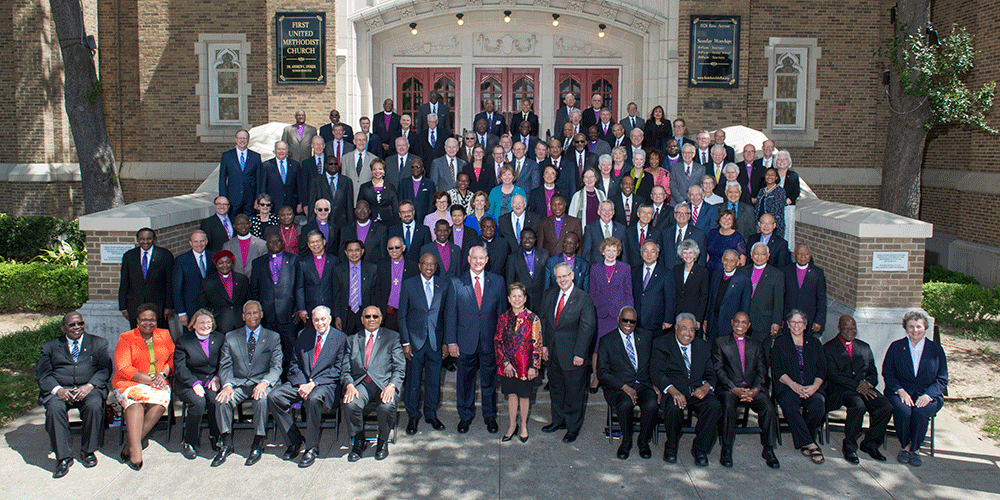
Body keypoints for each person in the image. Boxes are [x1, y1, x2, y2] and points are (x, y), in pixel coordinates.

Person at [268, 305, 347, 468]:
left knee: (313, 399)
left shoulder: (340, 338)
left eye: (323, 319)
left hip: (325, 384)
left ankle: (311, 448)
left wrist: (313, 384)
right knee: (274, 397)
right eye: (316, 320)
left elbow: (338, 369)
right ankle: (294, 440)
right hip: (302, 381)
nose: (320, 323)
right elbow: (294, 362)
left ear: (330, 319)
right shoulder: (304, 334)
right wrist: (302, 383)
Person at [37, 312, 111, 478]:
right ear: (64, 328)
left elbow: (105, 369)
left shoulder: (98, 343)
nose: (77, 327)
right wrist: (59, 390)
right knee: (54, 409)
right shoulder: (50, 347)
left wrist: (89, 386)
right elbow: (43, 375)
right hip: (61, 390)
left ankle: (88, 451)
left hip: (87, 388)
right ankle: (63, 458)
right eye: (72, 325)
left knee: (93, 405)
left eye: (80, 323)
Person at [445, 246, 507, 434]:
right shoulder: (456, 283)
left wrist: (502, 342)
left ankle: (489, 415)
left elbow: (502, 314)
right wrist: (451, 342)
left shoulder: (497, 282)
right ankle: (465, 416)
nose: (478, 261)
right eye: (474, 258)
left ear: (487, 260)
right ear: (468, 259)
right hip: (465, 341)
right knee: (465, 381)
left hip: (490, 341)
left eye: (481, 258)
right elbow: (450, 315)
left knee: (489, 381)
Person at [212, 301, 283, 467]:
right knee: (222, 400)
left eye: (256, 313)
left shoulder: (273, 337)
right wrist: (227, 385)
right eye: (249, 314)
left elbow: (276, 366)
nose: (253, 316)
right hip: (239, 383)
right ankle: (226, 442)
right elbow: (225, 365)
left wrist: (265, 383)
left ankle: (258, 442)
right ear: (243, 317)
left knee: (261, 399)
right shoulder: (231, 337)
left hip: (262, 382)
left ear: (262, 314)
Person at [651, 312, 720, 465]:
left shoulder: (702, 346)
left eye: (692, 330)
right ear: (675, 328)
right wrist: (673, 391)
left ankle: (700, 449)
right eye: (684, 329)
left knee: (713, 405)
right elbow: (656, 372)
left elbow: (710, 372)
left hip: (696, 389)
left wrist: (706, 387)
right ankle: (671, 445)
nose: (688, 334)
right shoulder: (662, 343)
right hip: (674, 389)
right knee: (674, 407)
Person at [712, 312, 779, 469]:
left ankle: (768, 449)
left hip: (752, 389)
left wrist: (755, 389)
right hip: (730, 389)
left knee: (768, 408)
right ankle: (726, 448)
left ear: (749, 326)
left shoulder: (756, 344)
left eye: (744, 322)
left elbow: (762, 370)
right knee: (728, 407)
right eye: (737, 321)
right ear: (731, 322)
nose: (740, 325)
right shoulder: (720, 342)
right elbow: (718, 369)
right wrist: (734, 388)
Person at [112, 303, 174, 470]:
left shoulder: (164, 334)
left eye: (152, 320)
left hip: (159, 380)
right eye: (144, 320)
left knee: (160, 404)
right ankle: (137, 449)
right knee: (135, 402)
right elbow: (123, 367)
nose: (149, 323)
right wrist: (148, 380)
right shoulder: (127, 337)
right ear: (137, 321)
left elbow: (172, 359)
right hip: (129, 381)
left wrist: (162, 375)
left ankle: (130, 445)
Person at [824, 315, 893, 464]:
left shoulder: (864, 347)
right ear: (839, 328)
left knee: (885, 406)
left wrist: (867, 384)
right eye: (846, 328)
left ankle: (870, 444)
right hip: (842, 389)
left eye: (853, 328)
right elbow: (833, 375)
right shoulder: (829, 348)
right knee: (858, 406)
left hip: (864, 388)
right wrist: (857, 386)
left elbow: (873, 373)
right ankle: (849, 447)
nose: (850, 331)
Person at [883, 311, 948, 467]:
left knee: (920, 412)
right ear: (905, 328)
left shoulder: (936, 350)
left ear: (925, 328)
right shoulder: (896, 347)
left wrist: (928, 395)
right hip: (901, 391)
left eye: (919, 326)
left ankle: (916, 449)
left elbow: (942, 379)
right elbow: (888, 372)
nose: (915, 330)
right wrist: (900, 390)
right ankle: (904, 446)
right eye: (911, 326)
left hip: (927, 394)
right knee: (904, 411)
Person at [541, 262, 597, 443]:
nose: (562, 280)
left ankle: (572, 427)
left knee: (574, 393)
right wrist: (544, 346)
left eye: (565, 276)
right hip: (553, 352)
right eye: (558, 277)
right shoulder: (549, 294)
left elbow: (587, 328)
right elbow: (544, 320)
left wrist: (581, 354)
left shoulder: (583, 298)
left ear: (572, 275)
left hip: (574, 355)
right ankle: (558, 421)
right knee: (556, 389)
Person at [343, 306, 405, 461]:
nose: (372, 319)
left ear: (381, 319)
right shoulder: (352, 340)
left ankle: (382, 441)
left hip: (384, 384)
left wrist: (392, 386)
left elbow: (399, 367)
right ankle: (359, 439)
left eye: (375, 316)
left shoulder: (392, 337)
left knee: (386, 406)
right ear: (362, 319)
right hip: (361, 384)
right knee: (350, 404)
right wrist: (349, 385)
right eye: (368, 316)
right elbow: (345, 369)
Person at [399, 253, 450, 434]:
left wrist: (446, 342)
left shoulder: (443, 284)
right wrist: (405, 341)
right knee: (413, 381)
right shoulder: (409, 284)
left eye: (432, 265)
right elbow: (402, 315)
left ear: (436, 267)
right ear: (419, 265)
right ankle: (413, 416)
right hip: (414, 342)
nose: (429, 267)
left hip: (436, 343)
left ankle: (430, 413)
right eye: (425, 264)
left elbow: (446, 315)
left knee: (434, 380)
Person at [597, 306, 657, 460]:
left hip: (643, 384)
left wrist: (656, 385)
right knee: (625, 404)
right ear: (618, 319)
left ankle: (643, 442)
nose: (629, 324)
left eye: (632, 321)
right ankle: (627, 441)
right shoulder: (607, 341)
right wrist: (624, 387)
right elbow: (602, 373)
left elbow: (654, 364)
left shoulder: (646, 337)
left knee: (651, 404)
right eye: (625, 320)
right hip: (620, 387)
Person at [771, 309, 827, 464]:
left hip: (811, 386)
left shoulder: (814, 343)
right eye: (793, 322)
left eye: (799, 322)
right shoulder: (780, 342)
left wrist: (814, 387)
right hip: (788, 386)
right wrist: (794, 385)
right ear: (788, 325)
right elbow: (776, 369)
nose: (796, 325)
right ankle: (810, 443)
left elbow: (822, 368)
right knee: (790, 406)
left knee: (818, 405)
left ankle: (805, 440)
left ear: (805, 325)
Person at [495, 282, 543, 443]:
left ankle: (523, 425)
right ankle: (511, 425)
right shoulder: (503, 317)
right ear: (509, 299)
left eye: (520, 296)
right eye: (513, 296)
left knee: (524, 396)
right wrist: (505, 363)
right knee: (511, 395)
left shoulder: (532, 318)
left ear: (525, 298)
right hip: (508, 366)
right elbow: (498, 341)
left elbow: (537, 344)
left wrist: (533, 367)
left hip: (525, 366)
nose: (517, 299)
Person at [173, 308, 223, 460]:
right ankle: (189, 442)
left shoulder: (220, 338)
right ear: (193, 324)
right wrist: (194, 383)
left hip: (211, 380)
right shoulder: (184, 341)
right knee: (198, 402)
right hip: (188, 381)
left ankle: (215, 436)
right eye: (201, 323)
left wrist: (218, 377)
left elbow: (225, 362)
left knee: (215, 401)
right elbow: (180, 367)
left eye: (208, 322)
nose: (205, 325)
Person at [250, 233, 299, 376]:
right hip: (267, 316)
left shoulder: (294, 260)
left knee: (291, 350)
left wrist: (297, 308)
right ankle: (273, 380)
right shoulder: (258, 263)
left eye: (277, 241)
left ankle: (291, 379)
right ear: (267, 245)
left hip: (289, 314)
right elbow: (255, 289)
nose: (275, 244)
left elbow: (299, 286)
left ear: (282, 242)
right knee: (269, 351)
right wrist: (259, 311)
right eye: (271, 242)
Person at [589, 237, 634, 391]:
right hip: (600, 314)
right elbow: (592, 292)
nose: (611, 253)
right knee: (597, 348)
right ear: (603, 251)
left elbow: (628, 292)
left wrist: (628, 315)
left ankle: (617, 379)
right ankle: (596, 378)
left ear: (618, 252)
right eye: (608, 250)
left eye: (614, 250)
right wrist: (592, 311)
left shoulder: (625, 268)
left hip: (617, 315)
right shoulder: (595, 268)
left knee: (617, 348)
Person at [119, 227, 174, 329]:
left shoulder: (165, 255)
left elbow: (169, 282)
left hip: (158, 306)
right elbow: (124, 283)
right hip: (135, 306)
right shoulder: (129, 256)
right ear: (138, 240)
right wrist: (123, 307)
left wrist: (169, 306)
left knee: (159, 337)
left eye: (148, 239)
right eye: (142, 239)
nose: (145, 242)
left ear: (154, 239)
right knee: (138, 338)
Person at [739, 242, 786, 343]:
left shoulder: (777, 275)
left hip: (763, 322)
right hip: (743, 322)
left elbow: (778, 300)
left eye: (763, 254)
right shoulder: (742, 271)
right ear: (751, 255)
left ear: (768, 256)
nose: (759, 257)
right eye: (756, 253)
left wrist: (776, 321)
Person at [198, 250, 250, 334]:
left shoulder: (242, 279)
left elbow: (248, 301)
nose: (224, 265)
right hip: (220, 325)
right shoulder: (207, 282)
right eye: (221, 263)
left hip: (241, 323)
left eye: (228, 262)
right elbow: (203, 306)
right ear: (216, 264)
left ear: (232, 263)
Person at [374, 236, 418, 331]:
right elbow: (377, 289)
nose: (394, 250)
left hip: (406, 314)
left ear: (403, 248)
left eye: (397, 247)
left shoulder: (413, 266)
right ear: (387, 249)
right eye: (391, 248)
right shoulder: (381, 265)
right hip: (388, 313)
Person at [334, 240, 377, 335]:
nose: (354, 253)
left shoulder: (372, 269)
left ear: (362, 251)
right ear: (345, 252)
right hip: (346, 313)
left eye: (357, 250)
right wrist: (337, 316)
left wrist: (374, 316)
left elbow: (374, 294)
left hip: (365, 313)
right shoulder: (338, 269)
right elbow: (336, 295)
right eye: (350, 250)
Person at [173, 230, 215, 329]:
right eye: (195, 242)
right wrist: (181, 312)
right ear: (190, 243)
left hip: (211, 307)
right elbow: (177, 288)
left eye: (202, 241)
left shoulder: (213, 257)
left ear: (206, 242)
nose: (199, 244)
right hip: (190, 308)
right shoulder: (181, 260)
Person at [295, 230, 339, 323]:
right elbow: (300, 287)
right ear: (308, 244)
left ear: (323, 242)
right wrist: (301, 309)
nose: (315, 244)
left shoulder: (334, 261)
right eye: (312, 242)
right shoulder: (303, 263)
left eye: (318, 241)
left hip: (330, 306)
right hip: (310, 307)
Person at [706, 249, 752, 339]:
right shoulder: (716, 275)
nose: (728, 263)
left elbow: (745, 307)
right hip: (713, 323)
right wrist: (706, 319)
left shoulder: (744, 280)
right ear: (722, 259)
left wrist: (740, 326)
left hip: (729, 326)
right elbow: (710, 299)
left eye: (732, 261)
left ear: (738, 262)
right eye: (726, 259)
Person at [632, 240, 675, 336]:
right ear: (641, 253)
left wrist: (668, 320)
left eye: (652, 251)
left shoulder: (666, 273)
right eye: (646, 251)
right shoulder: (634, 271)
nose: (649, 254)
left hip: (656, 322)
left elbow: (670, 299)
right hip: (637, 321)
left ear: (657, 254)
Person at [783, 244, 827, 336]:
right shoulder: (786, 270)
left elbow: (821, 299)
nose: (803, 257)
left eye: (806, 254)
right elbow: (782, 296)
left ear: (810, 255)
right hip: (789, 318)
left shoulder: (817, 273)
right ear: (794, 255)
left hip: (809, 320)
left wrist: (818, 320)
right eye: (800, 254)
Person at [218, 129, 262, 217]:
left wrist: (258, 198)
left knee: (249, 224)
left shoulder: (255, 157)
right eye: (240, 138)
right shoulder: (227, 156)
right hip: (232, 199)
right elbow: (222, 178)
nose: (242, 140)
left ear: (248, 140)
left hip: (250, 199)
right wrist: (223, 198)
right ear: (236, 140)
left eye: (245, 138)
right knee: (233, 224)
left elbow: (259, 180)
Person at [505, 227, 548, 312]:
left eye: (530, 238)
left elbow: (546, 279)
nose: (527, 241)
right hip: (520, 303)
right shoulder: (512, 257)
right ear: (520, 239)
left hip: (540, 301)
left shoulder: (544, 254)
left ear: (535, 239)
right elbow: (510, 282)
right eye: (524, 238)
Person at [672, 239, 710, 332]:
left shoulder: (702, 272)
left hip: (694, 314)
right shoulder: (676, 269)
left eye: (690, 253)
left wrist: (698, 319)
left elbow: (704, 297)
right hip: (677, 314)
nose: (688, 256)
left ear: (695, 254)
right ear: (681, 254)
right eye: (685, 253)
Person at [307, 155, 355, 225]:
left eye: (336, 164)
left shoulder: (347, 181)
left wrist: (351, 224)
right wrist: (311, 223)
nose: (333, 166)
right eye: (330, 164)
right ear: (325, 166)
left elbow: (349, 205)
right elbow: (312, 203)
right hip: (322, 222)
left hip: (342, 222)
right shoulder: (316, 181)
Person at [660, 203, 707, 270]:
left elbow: (701, 259)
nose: (681, 215)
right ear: (675, 215)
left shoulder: (699, 234)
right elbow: (661, 256)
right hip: (668, 273)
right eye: (679, 213)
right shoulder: (665, 232)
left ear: (689, 216)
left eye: (685, 213)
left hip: (689, 274)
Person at [260, 141, 300, 215]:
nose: (281, 151)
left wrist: (300, 203)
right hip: (273, 204)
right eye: (279, 149)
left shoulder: (295, 165)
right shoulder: (266, 166)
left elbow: (299, 186)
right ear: (275, 151)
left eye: (283, 149)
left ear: (287, 150)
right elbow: (263, 186)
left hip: (291, 204)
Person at [358, 159, 399, 225]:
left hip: (388, 222)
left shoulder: (390, 187)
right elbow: (360, 205)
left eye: (380, 169)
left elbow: (395, 207)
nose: (377, 171)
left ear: (384, 171)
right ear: (371, 171)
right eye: (374, 169)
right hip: (370, 222)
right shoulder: (364, 187)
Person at [705, 209, 747, 275]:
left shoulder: (738, 237)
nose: (726, 221)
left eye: (729, 219)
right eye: (724, 218)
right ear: (719, 220)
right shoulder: (712, 233)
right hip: (709, 271)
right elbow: (707, 254)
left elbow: (742, 261)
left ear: (733, 222)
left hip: (727, 273)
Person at [622, 204, 660, 268]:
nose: (646, 216)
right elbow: (625, 254)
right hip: (631, 269)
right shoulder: (628, 231)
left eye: (649, 213)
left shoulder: (656, 233)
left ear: (652, 216)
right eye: (643, 212)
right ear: (638, 214)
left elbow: (659, 256)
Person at [755, 167, 788, 239]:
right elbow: (757, 209)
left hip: (774, 227)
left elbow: (778, 210)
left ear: (776, 177)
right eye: (767, 174)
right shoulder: (761, 191)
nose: (769, 177)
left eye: (772, 175)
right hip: (761, 226)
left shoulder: (780, 191)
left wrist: (769, 225)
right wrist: (758, 225)